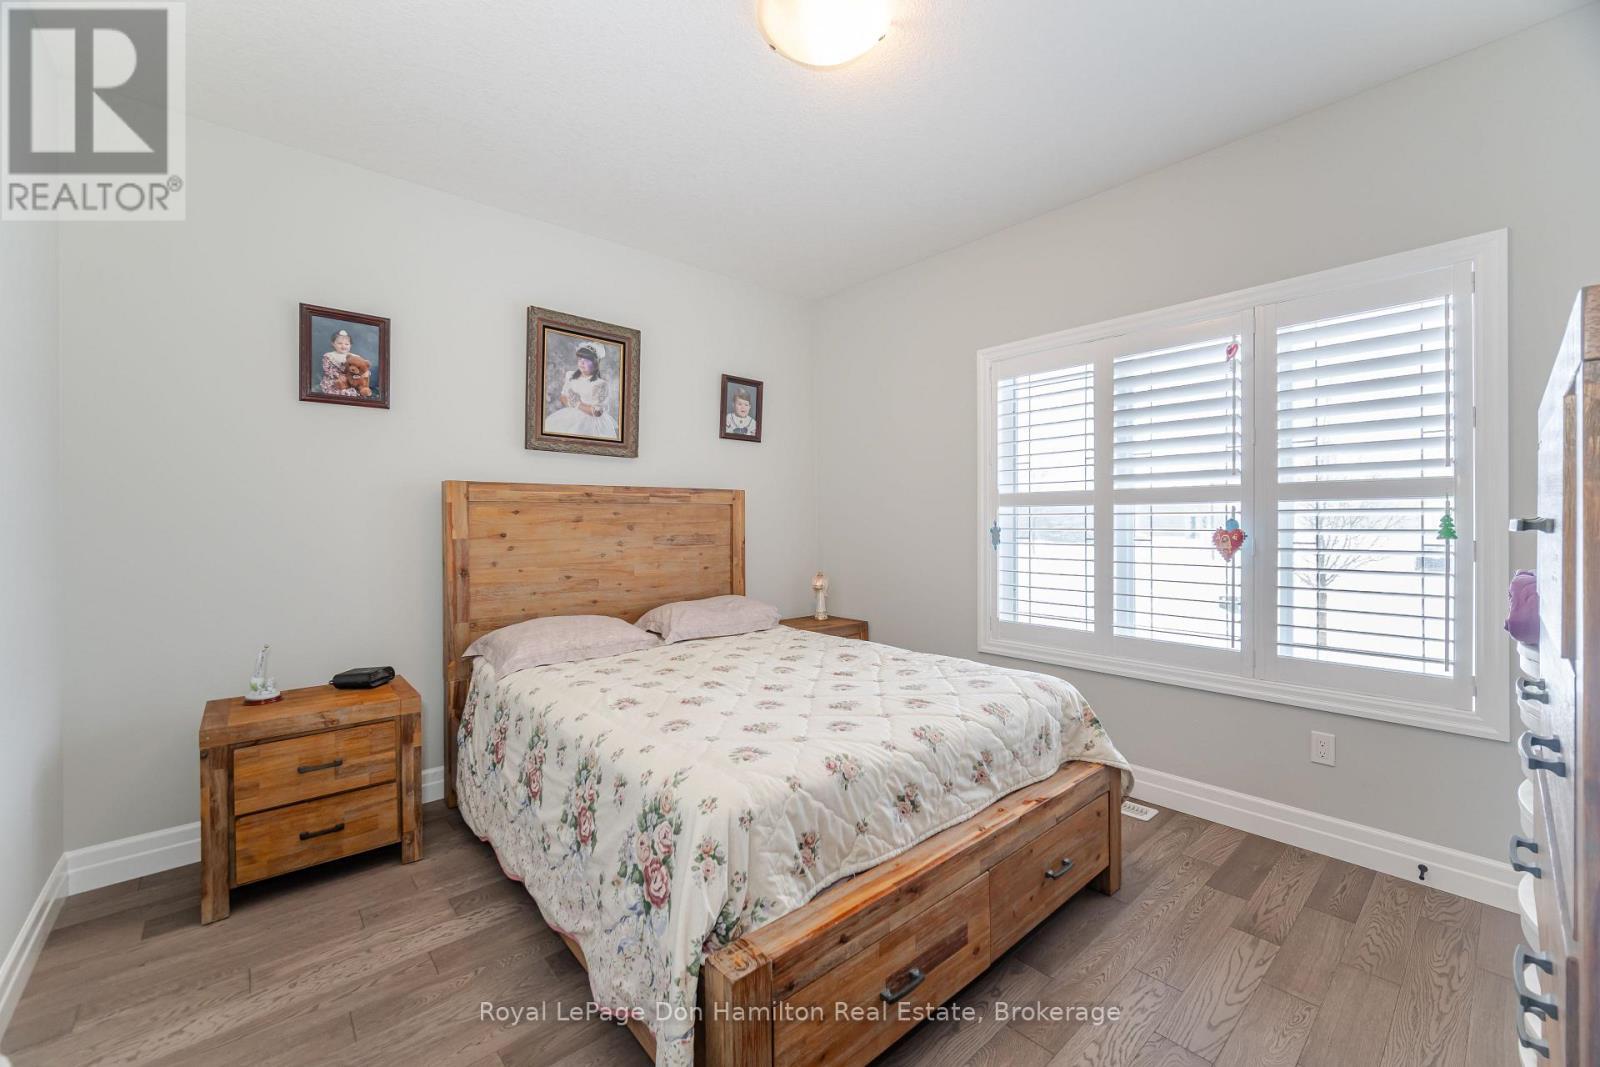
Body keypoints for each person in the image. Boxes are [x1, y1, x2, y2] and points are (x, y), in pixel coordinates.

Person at [545, 344, 618, 438]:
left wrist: (577, 404)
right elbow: (563, 397)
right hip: (571, 415)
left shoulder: (600, 384)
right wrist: (571, 402)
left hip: (592, 421)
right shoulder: (571, 376)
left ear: (595, 363)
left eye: (587, 360)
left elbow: (597, 412)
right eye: (580, 359)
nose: (582, 363)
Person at [318, 329, 363, 396]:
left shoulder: (354, 357)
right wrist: (340, 376)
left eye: (346, 344)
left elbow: (361, 368)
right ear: (333, 344)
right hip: (334, 380)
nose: (343, 346)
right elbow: (327, 370)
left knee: (355, 390)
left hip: (350, 379)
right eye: (340, 343)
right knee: (339, 391)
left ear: (350, 345)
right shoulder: (329, 356)